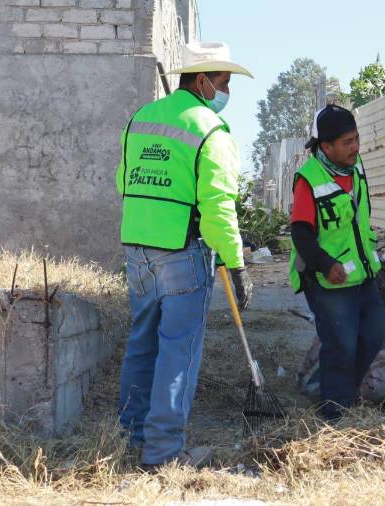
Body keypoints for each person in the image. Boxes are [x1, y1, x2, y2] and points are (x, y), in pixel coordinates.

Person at [116, 41, 254, 470]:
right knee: (178, 352)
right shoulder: (211, 129)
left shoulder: (140, 119)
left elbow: (124, 182)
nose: (226, 91)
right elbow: (217, 207)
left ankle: (129, 440)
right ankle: (162, 454)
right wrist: (236, 264)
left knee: (141, 346)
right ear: (201, 81)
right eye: (223, 82)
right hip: (183, 254)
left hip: (138, 252)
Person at [288, 104, 385, 421]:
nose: (355, 147)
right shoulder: (309, 179)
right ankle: (336, 410)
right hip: (328, 278)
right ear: (326, 147)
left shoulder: (356, 170)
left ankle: (342, 391)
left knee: (375, 333)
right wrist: (325, 264)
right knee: (340, 343)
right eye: (347, 142)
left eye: (356, 139)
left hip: (362, 273)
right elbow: (300, 234)